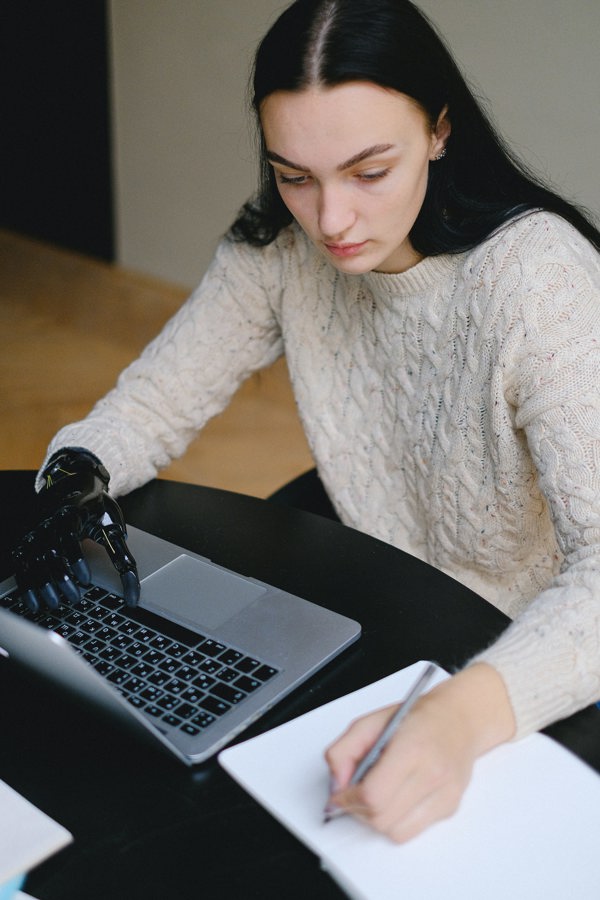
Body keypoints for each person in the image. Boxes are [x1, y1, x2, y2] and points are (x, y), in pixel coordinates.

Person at [12, 0, 600, 844]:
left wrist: (459, 718)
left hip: (529, 644)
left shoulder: (540, 284)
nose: (330, 221)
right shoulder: (281, 253)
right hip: (380, 596)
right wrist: (80, 470)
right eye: (294, 175)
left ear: (440, 130)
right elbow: (154, 401)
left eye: (368, 171)